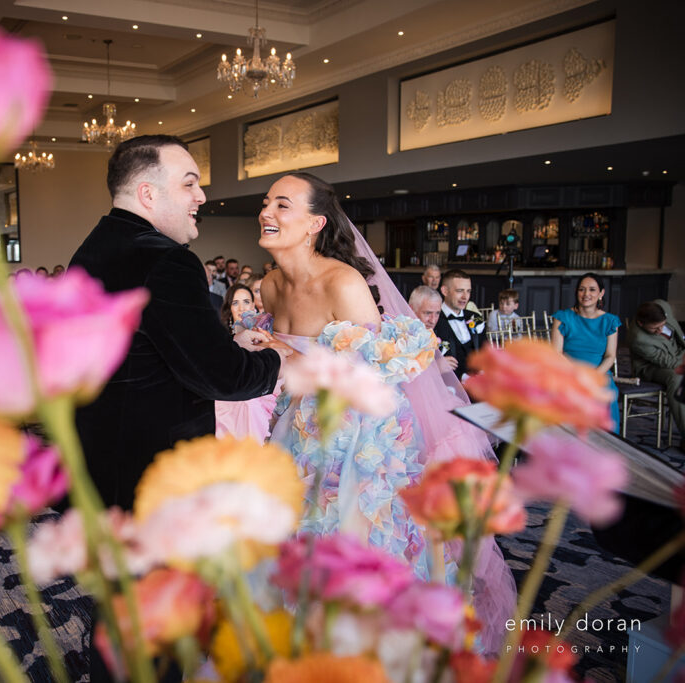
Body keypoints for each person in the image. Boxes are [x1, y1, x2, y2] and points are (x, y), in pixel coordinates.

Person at [257, 172, 514, 653]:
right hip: (292, 429)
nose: (266, 212)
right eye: (266, 202)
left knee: (349, 553)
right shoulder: (268, 287)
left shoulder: (343, 283)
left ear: (315, 223)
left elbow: (378, 375)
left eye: (282, 205)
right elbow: (280, 361)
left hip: (356, 441)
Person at [69, 135, 286, 511]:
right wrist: (278, 360)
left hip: (100, 457)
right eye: (188, 183)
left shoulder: (91, 250)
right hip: (153, 472)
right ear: (148, 194)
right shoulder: (167, 261)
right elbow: (223, 378)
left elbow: (150, 347)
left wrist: (229, 344)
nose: (201, 196)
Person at [552, 273, 620, 433]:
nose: (586, 294)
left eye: (592, 289)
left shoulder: (610, 321)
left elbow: (610, 356)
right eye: (582, 290)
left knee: (605, 393)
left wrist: (593, 377)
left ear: (601, 293)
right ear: (576, 292)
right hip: (568, 373)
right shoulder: (562, 317)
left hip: (599, 375)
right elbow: (557, 353)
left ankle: (602, 447)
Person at [214, 284, 279, 441]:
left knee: (249, 405)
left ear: (254, 305)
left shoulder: (264, 333)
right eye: (235, 303)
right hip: (232, 390)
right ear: (229, 308)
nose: (242, 307)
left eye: (246, 301)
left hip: (262, 388)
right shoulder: (220, 336)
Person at [628, 300, 684, 439]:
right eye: (655, 329)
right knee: (677, 378)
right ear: (641, 324)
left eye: (662, 325)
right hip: (651, 367)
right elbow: (668, 362)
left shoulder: (663, 305)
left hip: (678, 352)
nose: (660, 331)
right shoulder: (638, 339)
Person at [433, 269, 484, 380]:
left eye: (468, 291)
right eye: (460, 291)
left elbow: (485, 350)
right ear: (445, 291)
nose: (465, 297)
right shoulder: (433, 321)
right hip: (449, 386)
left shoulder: (475, 318)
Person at [409, 285, 459, 375]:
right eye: (428, 313)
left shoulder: (443, 329)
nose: (433, 320)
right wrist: (435, 368)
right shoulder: (401, 336)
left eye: (437, 313)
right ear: (411, 309)